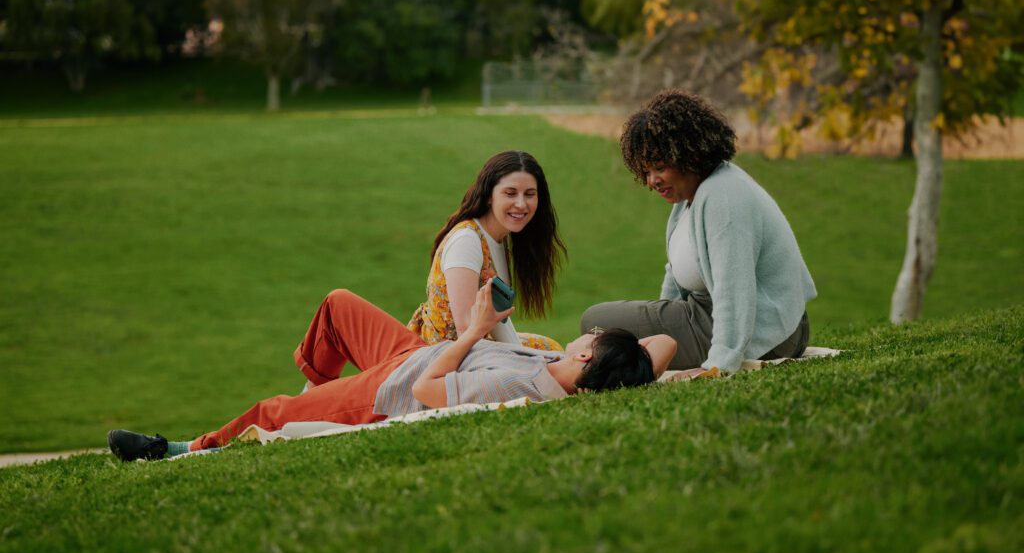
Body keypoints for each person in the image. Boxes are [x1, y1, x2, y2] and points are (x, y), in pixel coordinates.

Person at [108, 281, 677, 462]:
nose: (588, 333)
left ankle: (179, 451)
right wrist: (618, 371)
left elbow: (431, 393)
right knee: (338, 305)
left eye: (593, 339)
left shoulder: (520, 385)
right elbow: (663, 342)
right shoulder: (570, 370)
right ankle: (321, 395)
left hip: (393, 388)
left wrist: (476, 330)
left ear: (585, 357)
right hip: (411, 351)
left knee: (271, 414)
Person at [580, 89, 816, 377]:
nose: (652, 181)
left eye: (659, 167)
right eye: (645, 171)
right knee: (598, 328)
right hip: (704, 315)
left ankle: (623, 374)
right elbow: (674, 276)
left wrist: (718, 364)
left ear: (688, 153)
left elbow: (735, 287)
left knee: (596, 324)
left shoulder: (724, 197)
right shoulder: (691, 199)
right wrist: (658, 328)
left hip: (768, 333)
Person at [409, 150, 566, 352]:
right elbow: (466, 330)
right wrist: (525, 361)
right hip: (447, 356)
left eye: (529, 194)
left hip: (479, 347)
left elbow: (497, 322)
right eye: (510, 193)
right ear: (489, 195)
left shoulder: (500, 241)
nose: (521, 204)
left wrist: (527, 355)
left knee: (553, 351)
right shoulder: (467, 240)